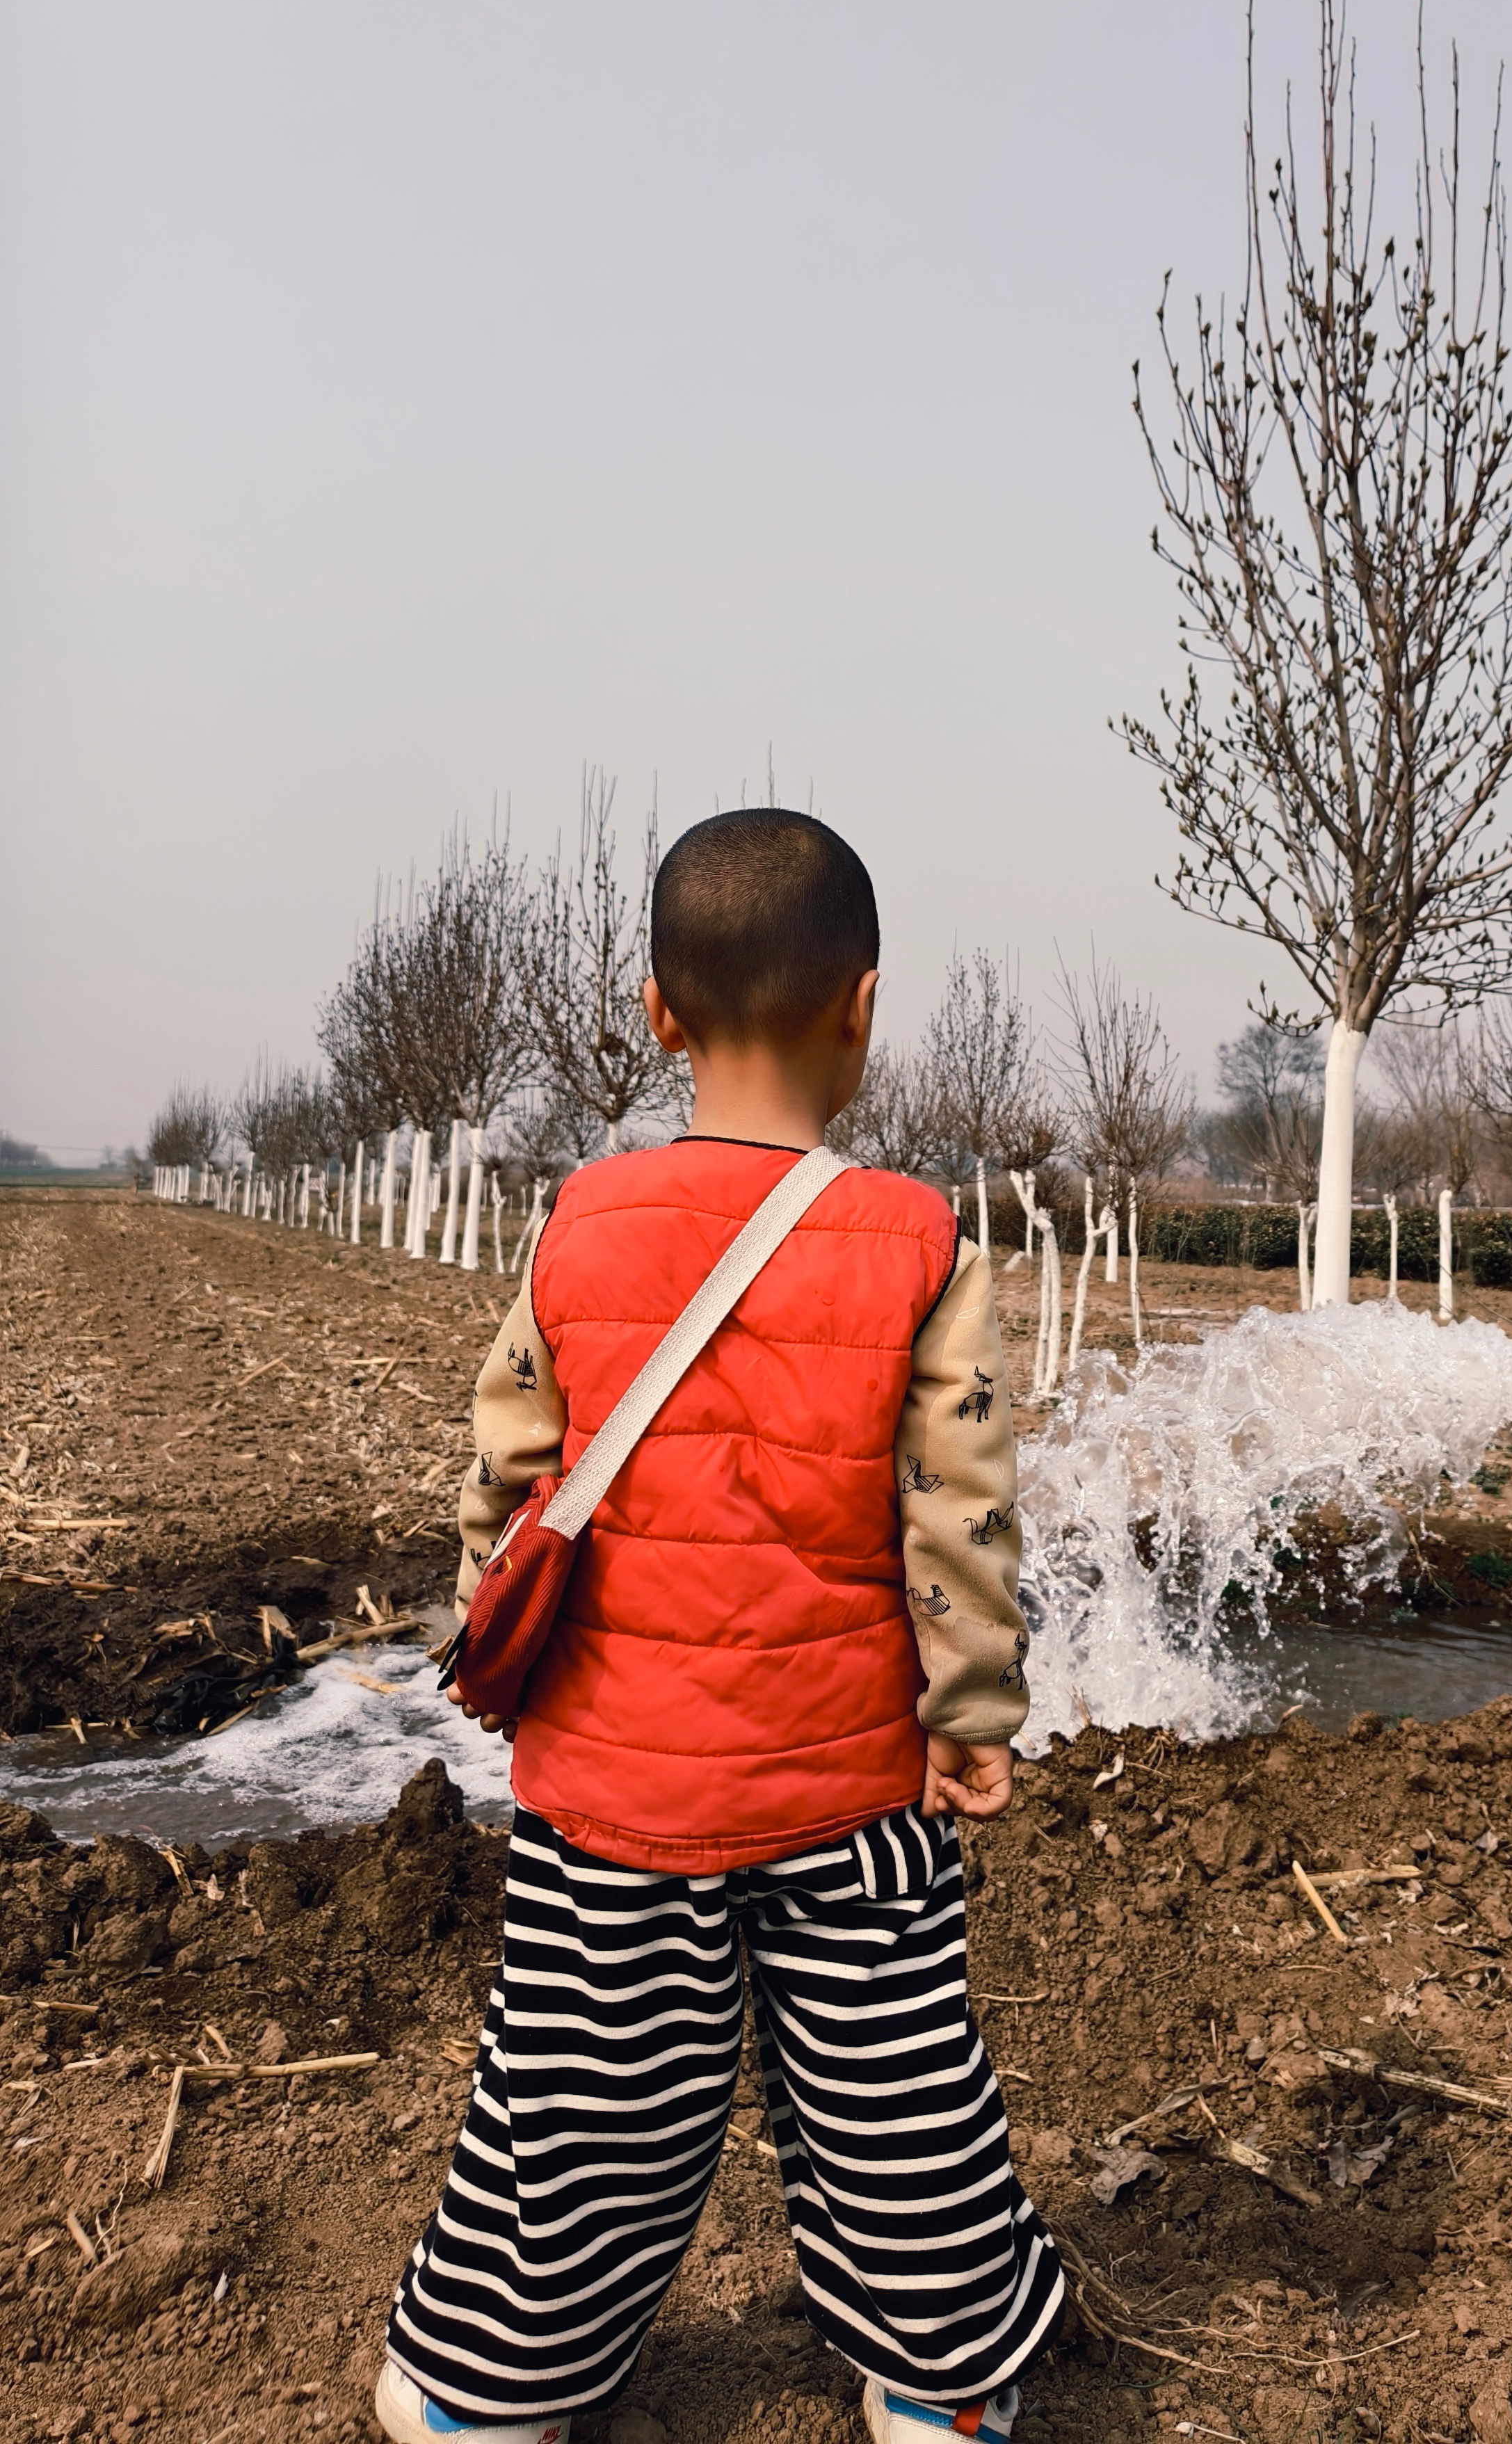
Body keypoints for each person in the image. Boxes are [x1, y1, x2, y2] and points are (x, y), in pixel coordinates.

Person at [376, 810, 1059, 2444]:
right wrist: (967, 1709)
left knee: (579, 2107)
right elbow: (954, 1509)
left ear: (656, 1011)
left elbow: (514, 1463)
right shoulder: (914, 1237)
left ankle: (484, 2393)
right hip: (844, 1784)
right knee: (898, 2104)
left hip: (617, 1791)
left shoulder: (583, 1219)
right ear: (864, 1009)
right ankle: (941, 2384)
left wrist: (493, 1626)